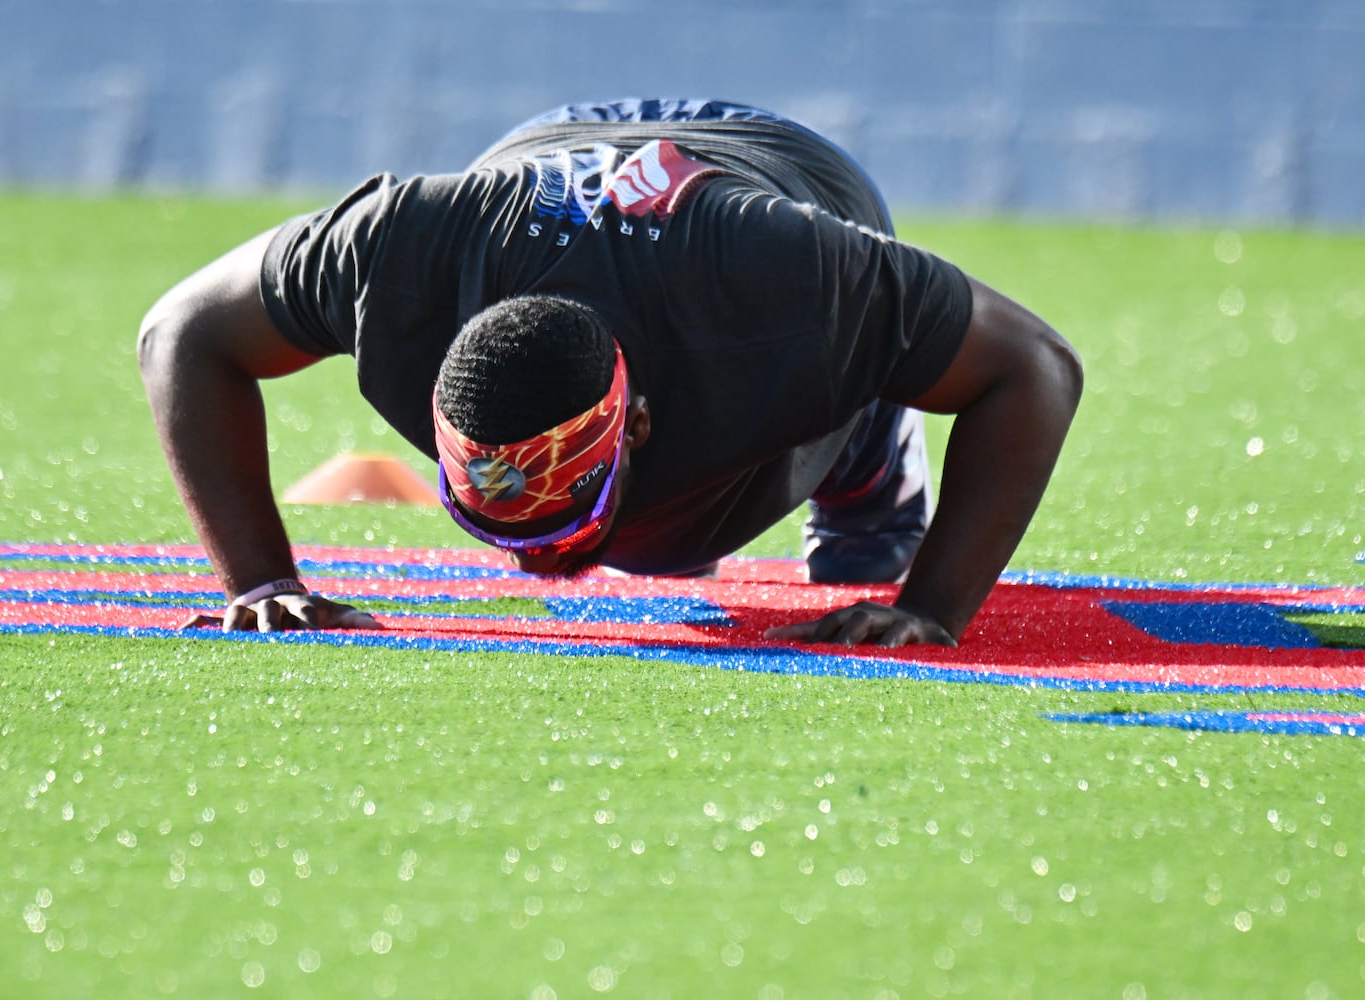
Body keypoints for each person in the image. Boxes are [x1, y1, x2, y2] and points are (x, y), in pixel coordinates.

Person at [138, 98, 1082, 647]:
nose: (537, 564)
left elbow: (1033, 368)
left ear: (634, 420)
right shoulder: (398, 257)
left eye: (559, 523)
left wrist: (930, 611)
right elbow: (180, 330)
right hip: (551, 143)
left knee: (663, 539)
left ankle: (868, 445)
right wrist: (260, 583)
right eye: (508, 526)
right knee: (649, 539)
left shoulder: (789, 283)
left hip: (781, 178)